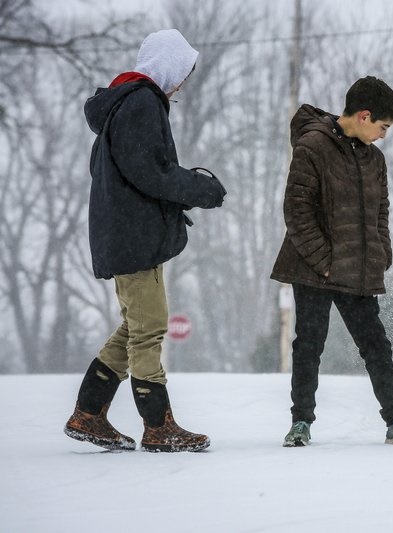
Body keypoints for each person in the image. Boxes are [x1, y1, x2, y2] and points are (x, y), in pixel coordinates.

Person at [64, 29, 227, 453]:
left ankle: (88, 414)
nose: (181, 85)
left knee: (137, 326)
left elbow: (139, 171)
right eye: (182, 74)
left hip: (126, 234)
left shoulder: (126, 103)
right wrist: (199, 188)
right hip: (132, 238)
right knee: (150, 328)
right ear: (168, 65)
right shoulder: (140, 102)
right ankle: (158, 426)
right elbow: (150, 172)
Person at [271, 76, 393, 447]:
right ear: (364, 115)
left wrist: (381, 251)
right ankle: (301, 423)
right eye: (383, 126)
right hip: (313, 268)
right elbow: (297, 211)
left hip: (358, 268)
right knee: (309, 344)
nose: (385, 135)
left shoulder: (375, 160)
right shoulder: (312, 146)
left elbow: (381, 212)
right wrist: (325, 262)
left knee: (375, 345)